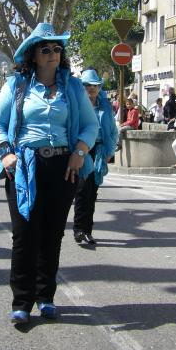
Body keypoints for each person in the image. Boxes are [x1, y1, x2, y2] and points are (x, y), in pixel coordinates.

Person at [0, 22, 98, 324]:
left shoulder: (73, 87)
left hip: (64, 167)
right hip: (25, 166)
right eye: (45, 48)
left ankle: (46, 296)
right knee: (25, 235)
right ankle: (21, 301)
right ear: (33, 55)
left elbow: (91, 126)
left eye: (57, 48)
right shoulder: (17, 85)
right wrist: (5, 152)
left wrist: (79, 153)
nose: (52, 53)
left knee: (52, 235)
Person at [73, 69, 118, 245]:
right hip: (82, 150)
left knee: (92, 193)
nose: (91, 88)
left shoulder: (105, 106)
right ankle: (78, 230)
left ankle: (87, 231)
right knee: (82, 191)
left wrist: (109, 152)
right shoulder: (76, 105)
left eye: (95, 85)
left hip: (99, 151)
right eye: (87, 85)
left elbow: (113, 131)